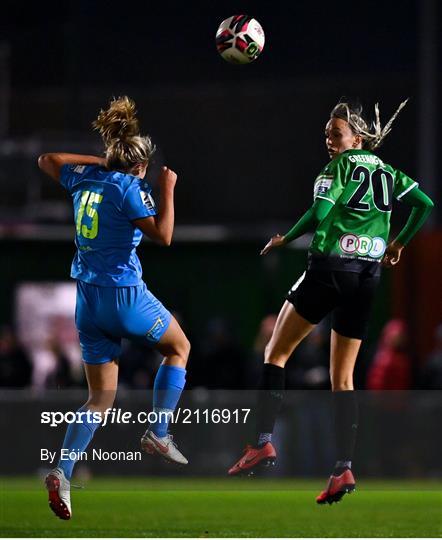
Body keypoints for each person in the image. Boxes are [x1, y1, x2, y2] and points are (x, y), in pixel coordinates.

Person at [228, 99, 434, 504]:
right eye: (326, 134)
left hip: (330, 268)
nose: (328, 140)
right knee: (344, 377)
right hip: (369, 277)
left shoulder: (337, 168)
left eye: (335, 133)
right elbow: (425, 204)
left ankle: (261, 442)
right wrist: (398, 244)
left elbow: (321, 214)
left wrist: (287, 237)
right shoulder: (389, 173)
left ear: (357, 138)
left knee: (275, 352)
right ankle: (343, 468)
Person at [38, 96, 191, 520]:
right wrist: (167, 190)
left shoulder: (85, 179)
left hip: (86, 302)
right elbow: (163, 236)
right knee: (179, 348)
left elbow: (47, 159)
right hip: (124, 297)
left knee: (98, 400)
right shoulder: (128, 188)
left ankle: (62, 473)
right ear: (140, 166)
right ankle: (158, 432)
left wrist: (101, 162)